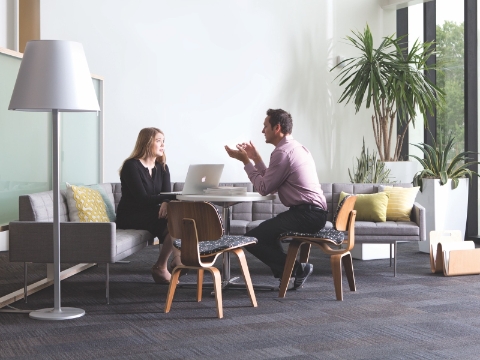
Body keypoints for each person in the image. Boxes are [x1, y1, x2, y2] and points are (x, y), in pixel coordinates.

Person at [225, 109, 327, 289]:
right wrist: (255, 158)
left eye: (265, 126)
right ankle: (289, 273)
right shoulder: (295, 148)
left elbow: (264, 188)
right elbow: (271, 180)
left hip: (307, 214)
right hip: (312, 212)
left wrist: (246, 163)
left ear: (277, 127)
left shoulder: (282, 153)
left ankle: (295, 270)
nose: (262, 131)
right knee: (264, 235)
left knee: (253, 238)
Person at [116, 127, 181, 284]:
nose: (162, 145)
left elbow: (165, 194)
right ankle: (176, 261)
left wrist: (166, 202)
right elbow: (142, 198)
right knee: (173, 221)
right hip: (132, 215)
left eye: (163, 141)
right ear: (146, 143)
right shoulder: (131, 166)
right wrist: (169, 198)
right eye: (158, 141)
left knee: (175, 221)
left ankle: (162, 265)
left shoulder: (162, 167)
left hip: (152, 213)